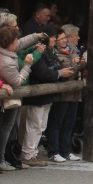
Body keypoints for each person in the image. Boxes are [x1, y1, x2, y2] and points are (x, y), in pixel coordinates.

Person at [21, 26, 72, 167]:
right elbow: (42, 72)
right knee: (34, 125)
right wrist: (59, 73)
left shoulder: (49, 52)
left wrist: (58, 71)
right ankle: (27, 154)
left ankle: (33, 154)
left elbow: (55, 66)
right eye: (53, 37)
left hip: (47, 94)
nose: (55, 39)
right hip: (37, 94)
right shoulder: (37, 52)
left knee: (41, 126)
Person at [0, 26, 34, 172]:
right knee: (1, 130)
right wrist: (27, 66)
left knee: (3, 129)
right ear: (9, 43)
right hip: (0, 99)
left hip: (2, 95)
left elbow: (20, 43)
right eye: (15, 41)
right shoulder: (5, 62)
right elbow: (16, 81)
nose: (17, 43)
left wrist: (36, 36)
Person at [46, 26, 85, 163]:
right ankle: (54, 151)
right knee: (57, 122)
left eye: (65, 38)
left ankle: (66, 151)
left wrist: (79, 63)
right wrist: (77, 64)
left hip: (75, 91)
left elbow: (78, 63)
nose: (64, 41)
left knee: (69, 123)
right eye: (61, 38)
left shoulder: (73, 49)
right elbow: (63, 68)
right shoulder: (53, 52)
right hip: (62, 91)